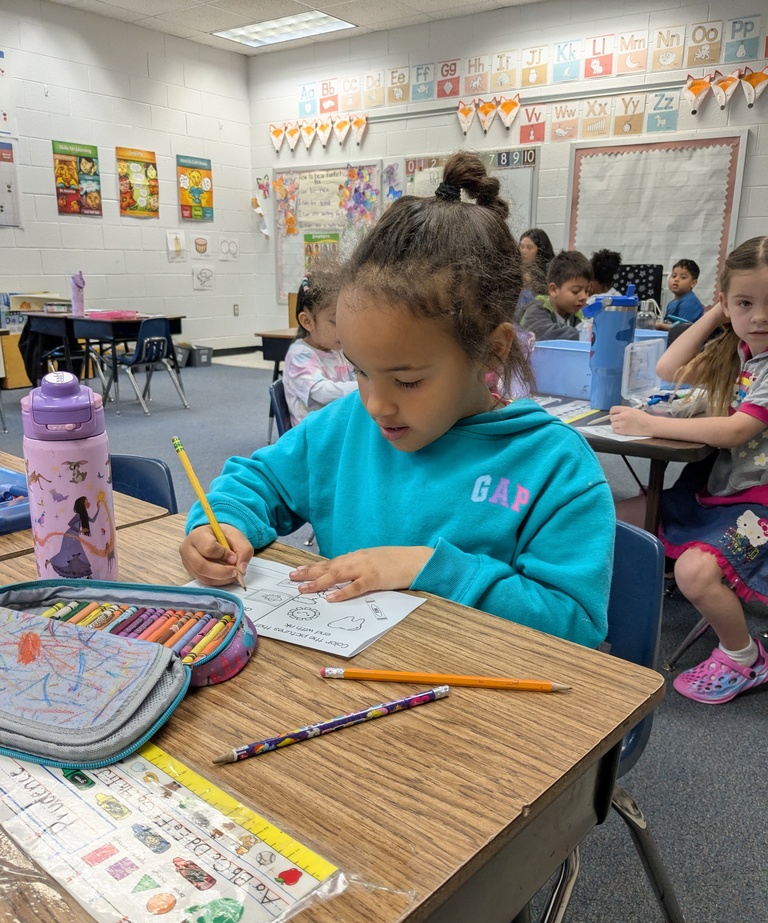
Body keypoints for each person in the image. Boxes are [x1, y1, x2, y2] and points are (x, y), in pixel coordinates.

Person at [179, 150, 614, 652]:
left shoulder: (553, 466)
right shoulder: (348, 426)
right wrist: (225, 523)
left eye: (407, 382)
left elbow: (575, 622)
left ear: (491, 350)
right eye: (359, 370)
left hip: (484, 704)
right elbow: (260, 480)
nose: (376, 405)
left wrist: (429, 568)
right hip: (347, 682)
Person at [610, 235, 768, 704]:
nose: (759, 317)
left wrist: (647, 422)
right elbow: (667, 366)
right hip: (717, 493)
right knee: (617, 514)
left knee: (697, 573)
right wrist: (718, 314)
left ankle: (745, 657)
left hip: (760, 515)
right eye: (745, 303)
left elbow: (740, 430)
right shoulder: (742, 355)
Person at [283, 267, 357, 426]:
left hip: (336, 425)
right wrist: (363, 387)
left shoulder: (337, 350)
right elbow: (320, 392)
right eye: (335, 322)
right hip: (314, 436)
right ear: (307, 321)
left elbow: (356, 374)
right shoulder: (300, 354)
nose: (344, 329)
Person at [519, 249, 592, 340]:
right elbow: (545, 334)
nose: (584, 297)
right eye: (575, 291)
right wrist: (585, 334)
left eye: (587, 291)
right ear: (554, 290)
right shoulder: (536, 311)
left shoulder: (574, 315)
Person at [658, 258, 705, 329]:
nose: (676, 279)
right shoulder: (671, 303)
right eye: (674, 276)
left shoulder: (689, 303)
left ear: (693, 283)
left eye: (683, 277)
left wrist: (659, 326)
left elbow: (683, 329)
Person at [517, 227, 555, 314]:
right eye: (521, 246)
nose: (524, 251)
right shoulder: (515, 270)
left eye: (529, 248)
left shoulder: (549, 273)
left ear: (541, 251)